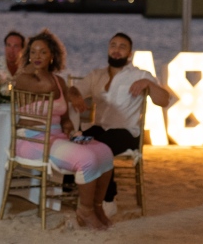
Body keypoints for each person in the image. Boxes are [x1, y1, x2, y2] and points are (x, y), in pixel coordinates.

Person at [12, 29, 115, 230]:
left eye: (43, 52)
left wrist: (70, 131)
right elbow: (45, 88)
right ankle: (84, 211)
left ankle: (95, 206)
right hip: (33, 141)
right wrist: (41, 71)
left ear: (53, 55)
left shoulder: (59, 81)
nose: (37, 57)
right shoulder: (23, 78)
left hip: (58, 137)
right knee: (87, 159)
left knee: (106, 152)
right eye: (33, 52)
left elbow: (65, 117)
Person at [67, 32, 170, 216]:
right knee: (77, 140)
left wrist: (148, 83)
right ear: (108, 49)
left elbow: (164, 100)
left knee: (100, 147)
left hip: (126, 133)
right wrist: (75, 96)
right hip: (99, 128)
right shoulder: (96, 75)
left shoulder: (140, 75)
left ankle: (108, 198)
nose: (116, 50)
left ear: (129, 54)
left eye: (122, 47)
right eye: (113, 45)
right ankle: (75, 189)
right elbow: (75, 89)